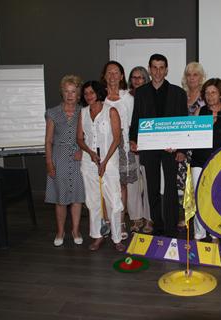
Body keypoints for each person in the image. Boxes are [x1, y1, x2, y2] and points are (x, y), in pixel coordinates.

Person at [129, 53, 188, 237]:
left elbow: (183, 121)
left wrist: (182, 150)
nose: (157, 71)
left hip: (171, 148)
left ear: (166, 70)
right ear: (149, 69)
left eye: (161, 67)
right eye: (154, 67)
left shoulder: (178, 93)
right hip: (149, 148)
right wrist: (133, 139)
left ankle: (171, 228)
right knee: (152, 188)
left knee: (171, 187)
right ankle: (158, 226)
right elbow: (136, 118)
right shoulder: (141, 92)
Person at [77, 80, 125, 252]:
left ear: (98, 93)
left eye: (91, 92)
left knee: (114, 200)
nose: (89, 96)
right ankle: (97, 236)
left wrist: (104, 161)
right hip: (89, 163)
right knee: (93, 201)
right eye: (86, 94)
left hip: (109, 163)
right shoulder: (82, 113)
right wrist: (90, 153)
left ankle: (117, 238)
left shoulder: (110, 111)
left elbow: (117, 139)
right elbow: (80, 139)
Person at [190, 78, 221, 241]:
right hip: (199, 160)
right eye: (207, 93)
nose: (210, 96)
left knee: (217, 197)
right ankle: (199, 232)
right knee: (199, 196)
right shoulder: (199, 111)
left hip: (220, 163)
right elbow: (190, 135)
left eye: (213, 92)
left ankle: (214, 231)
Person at [45, 75, 85, 247]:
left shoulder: (84, 111)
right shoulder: (53, 112)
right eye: (67, 91)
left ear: (78, 94)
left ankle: (75, 230)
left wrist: (82, 152)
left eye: (73, 92)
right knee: (60, 199)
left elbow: (88, 136)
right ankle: (60, 231)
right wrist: (49, 163)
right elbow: (48, 140)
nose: (70, 95)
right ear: (62, 93)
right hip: (59, 158)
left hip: (77, 159)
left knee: (77, 198)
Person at [100, 61, 134, 241]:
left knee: (121, 185)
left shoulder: (128, 98)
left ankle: (120, 221)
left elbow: (133, 123)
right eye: (109, 72)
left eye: (116, 73)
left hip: (123, 147)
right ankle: (106, 221)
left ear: (122, 76)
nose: (112, 76)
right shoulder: (99, 97)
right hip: (104, 147)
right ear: (104, 76)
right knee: (104, 184)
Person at [176, 62, 207, 229]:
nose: (192, 78)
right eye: (189, 75)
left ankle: (198, 218)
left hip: (198, 147)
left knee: (197, 183)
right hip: (181, 146)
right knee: (182, 183)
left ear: (201, 77)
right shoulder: (180, 95)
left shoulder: (206, 96)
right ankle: (186, 216)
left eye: (195, 74)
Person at [126, 66, 152, 233]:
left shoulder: (151, 95)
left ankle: (150, 219)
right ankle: (136, 217)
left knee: (150, 183)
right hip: (130, 144)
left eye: (140, 77)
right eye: (134, 77)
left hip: (149, 144)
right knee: (132, 183)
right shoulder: (125, 97)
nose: (137, 80)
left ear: (146, 79)